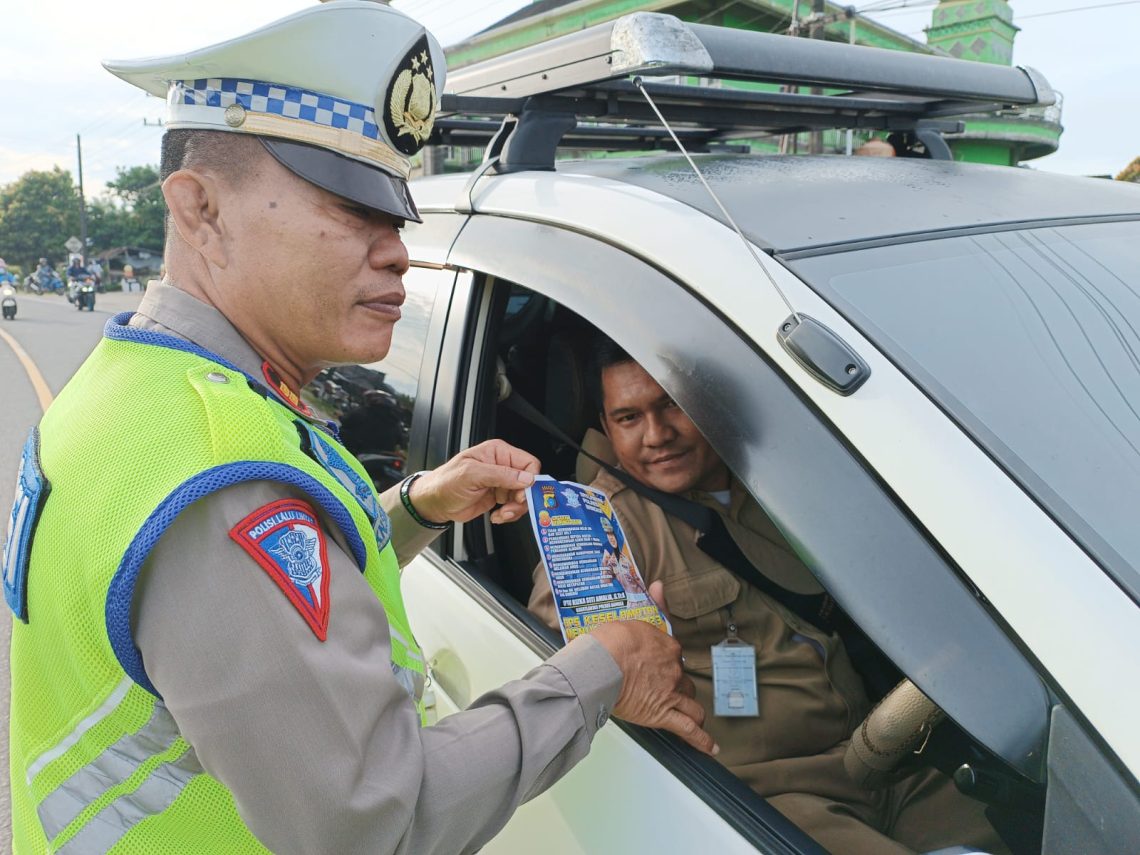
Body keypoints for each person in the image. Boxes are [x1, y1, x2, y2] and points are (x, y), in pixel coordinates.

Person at [2, 5, 714, 855]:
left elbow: (251, 598)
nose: (398, 252)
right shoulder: (219, 475)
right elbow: (377, 820)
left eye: (396, 217)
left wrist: (417, 505)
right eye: (351, 209)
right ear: (200, 210)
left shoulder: (144, 389)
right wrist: (604, 667)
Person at [528, 337, 1007, 855]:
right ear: (604, 425)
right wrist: (624, 647)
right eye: (628, 418)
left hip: (884, 755)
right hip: (773, 792)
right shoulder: (604, 525)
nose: (657, 435)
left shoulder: (782, 482)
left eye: (671, 405)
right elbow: (561, 641)